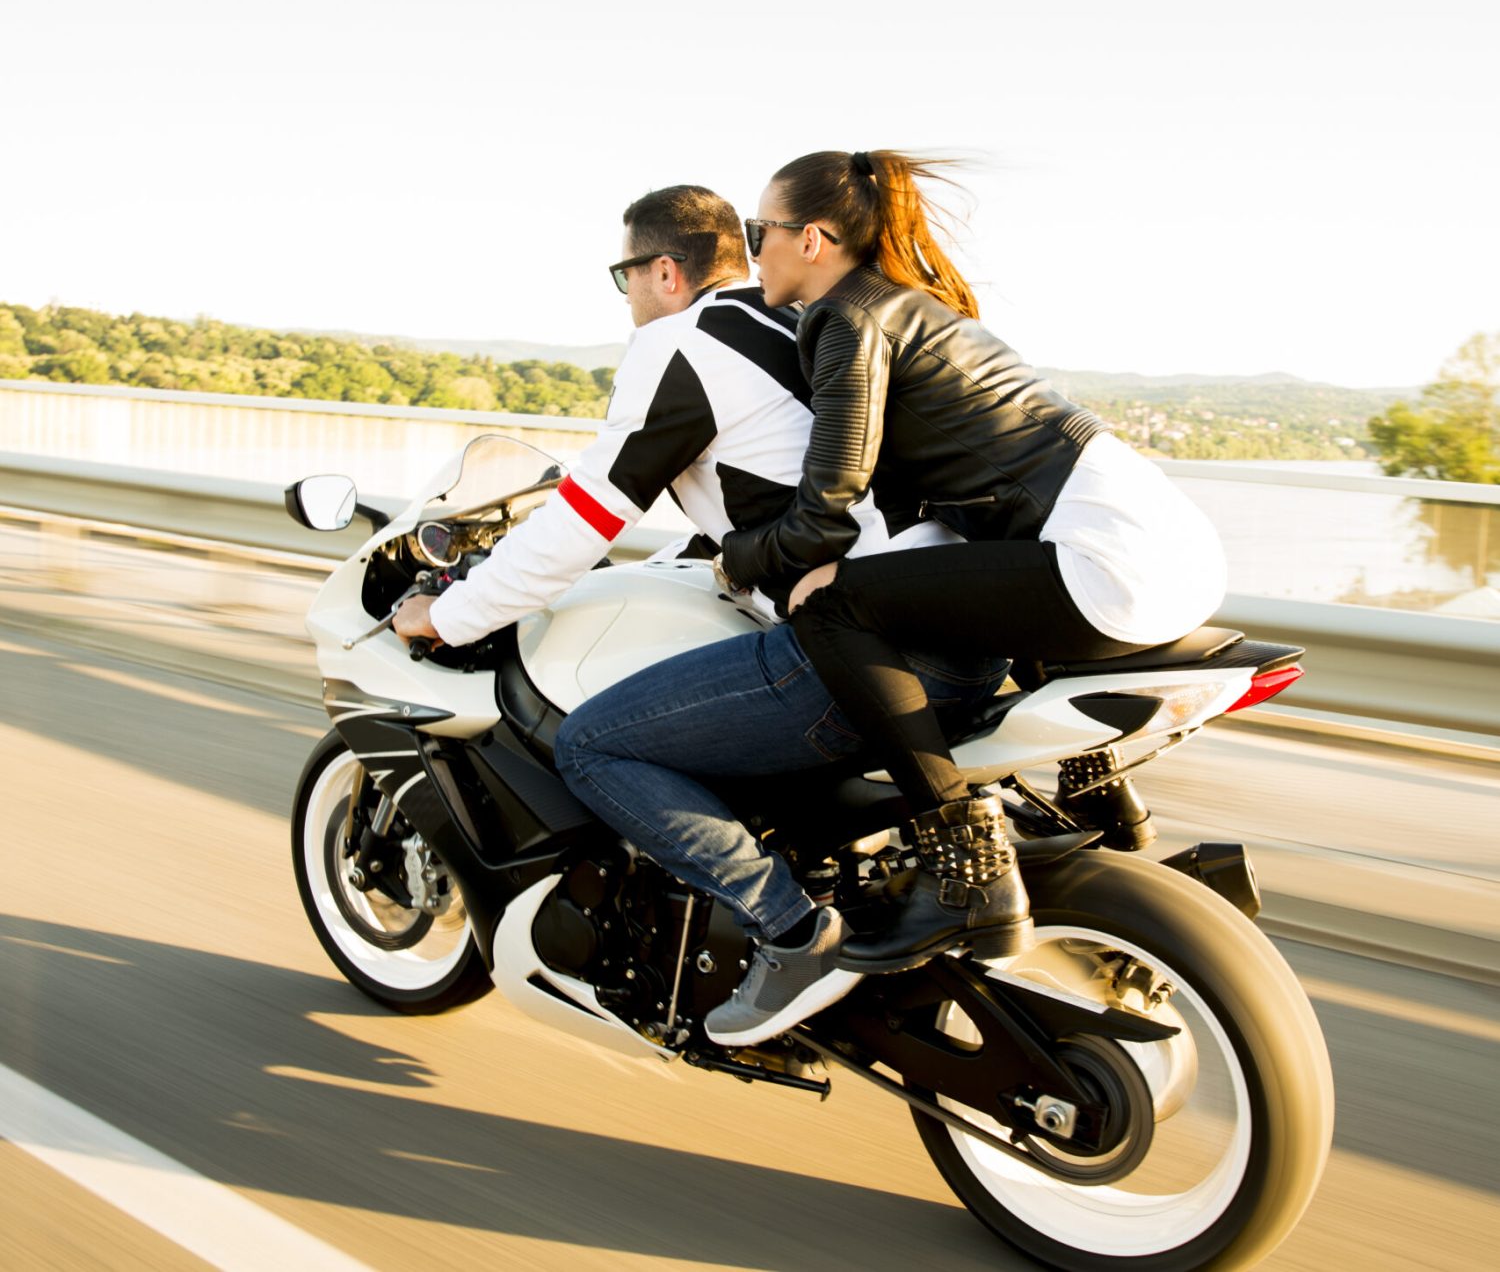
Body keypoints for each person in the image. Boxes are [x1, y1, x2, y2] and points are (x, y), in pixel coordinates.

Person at [396, 183, 1006, 1047]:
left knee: (597, 744)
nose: (631, 298)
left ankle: (794, 935)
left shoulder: (680, 344)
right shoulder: (809, 322)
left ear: (668, 272)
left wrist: (449, 615)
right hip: (964, 610)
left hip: (867, 642)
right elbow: (767, 488)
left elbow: (581, 522)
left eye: (626, 276)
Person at [717, 149, 1228, 973]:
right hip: (1163, 542)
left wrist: (738, 558)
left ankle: (967, 867)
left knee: (832, 605)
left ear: (811, 240)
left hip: (1107, 561)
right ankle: (1120, 838)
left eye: (759, 231)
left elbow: (824, 511)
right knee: (952, 604)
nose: (753, 250)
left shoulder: (848, 318)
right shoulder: (912, 310)